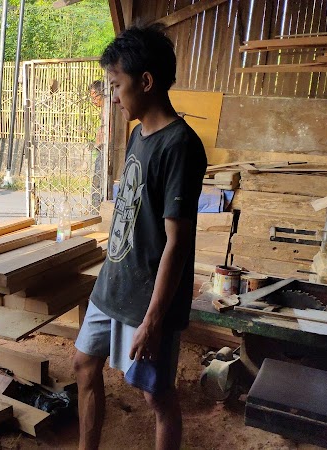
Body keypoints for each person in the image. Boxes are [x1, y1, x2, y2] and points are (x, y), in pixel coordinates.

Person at [72, 24, 207, 450]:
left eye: (117, 85)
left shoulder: (180, 145)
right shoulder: (138, 135)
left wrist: (152, 321)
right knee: (82, 363)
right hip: (113, 284)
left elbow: (177, 243)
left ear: (145, 82)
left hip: (149, 299)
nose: (112, 96)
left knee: (156, 394)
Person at [89, 80, 107, 209]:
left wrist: (98, 143)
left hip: (105, 151)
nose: (93, 101)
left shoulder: (108, 110)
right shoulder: (104, 110)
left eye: (94, 97)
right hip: (102, 149)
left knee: (98, 181)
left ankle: (96, 210)